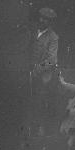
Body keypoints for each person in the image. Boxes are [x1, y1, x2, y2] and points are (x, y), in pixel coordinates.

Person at [30, 7, 58, 137]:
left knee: (40, 100)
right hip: (26, 71)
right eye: (41, 17)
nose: (42, 20)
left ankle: (40, 129)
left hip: (41, 76)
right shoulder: (32, 31)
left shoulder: (53, 37)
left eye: (46, 19)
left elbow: (52, 60)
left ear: (50, 22)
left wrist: (36, 70)